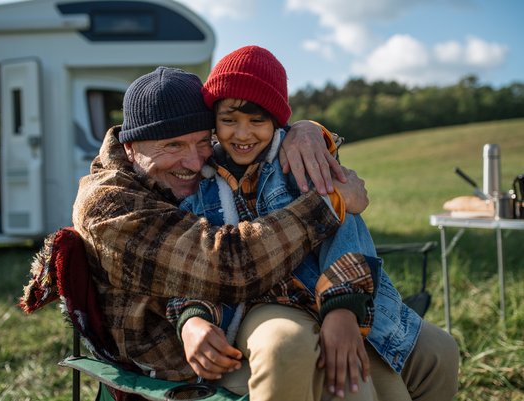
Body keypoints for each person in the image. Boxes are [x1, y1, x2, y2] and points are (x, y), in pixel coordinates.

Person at [173, 46, 460, 401]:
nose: (242, 134)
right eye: (229, 120)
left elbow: (346, 229)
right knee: (354, 390)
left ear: (277, 121)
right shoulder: (201, 183)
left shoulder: (299, 160)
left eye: (257, 121)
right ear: (214, 120)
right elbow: (195, 260)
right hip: (260, 301)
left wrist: (342, 308)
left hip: (325, 289)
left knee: (438, 351)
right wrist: (193, 315)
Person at [71, 66, 368, 388]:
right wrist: (329, 202)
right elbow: (228, 264)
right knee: (303, 359)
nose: (196, 163)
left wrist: (303, 130)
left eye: (202, 142)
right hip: (177, 364)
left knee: (390, 363)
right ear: (130, 147)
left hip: (234, 324)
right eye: (173, 146)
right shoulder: (107, 205)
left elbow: (250, 127)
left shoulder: (176, 174)